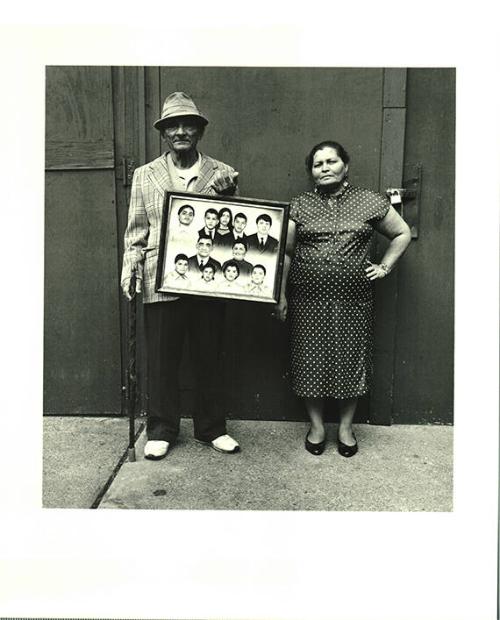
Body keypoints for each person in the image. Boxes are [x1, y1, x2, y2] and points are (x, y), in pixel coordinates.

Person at [121, 91, 240, 460]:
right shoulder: (145, 175)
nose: (181, 131)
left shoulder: (223, 173)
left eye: (188, 124)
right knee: (163, 358)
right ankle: (161, 430)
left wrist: (231, 197)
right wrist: (130, 266)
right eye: (173, 126)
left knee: (209, 355)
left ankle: (212, 429)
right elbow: (136, 230)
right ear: (164, 133)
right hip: (161, 278)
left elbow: (236, 230)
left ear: (199, 131)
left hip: (208, 278)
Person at [275, 140, 411, 457]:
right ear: (311, 172)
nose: (325, 167)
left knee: (350, 360)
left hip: (353, 300)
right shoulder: (300, 205)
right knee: (310, 360)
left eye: (331, 161)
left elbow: (402, 232)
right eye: (317, 163)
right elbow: (287, 253)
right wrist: (280, 294)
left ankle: (346, 427)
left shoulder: (369, 201)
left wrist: (385, 266)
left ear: (345, 166)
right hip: (307, 300)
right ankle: (318, 426)